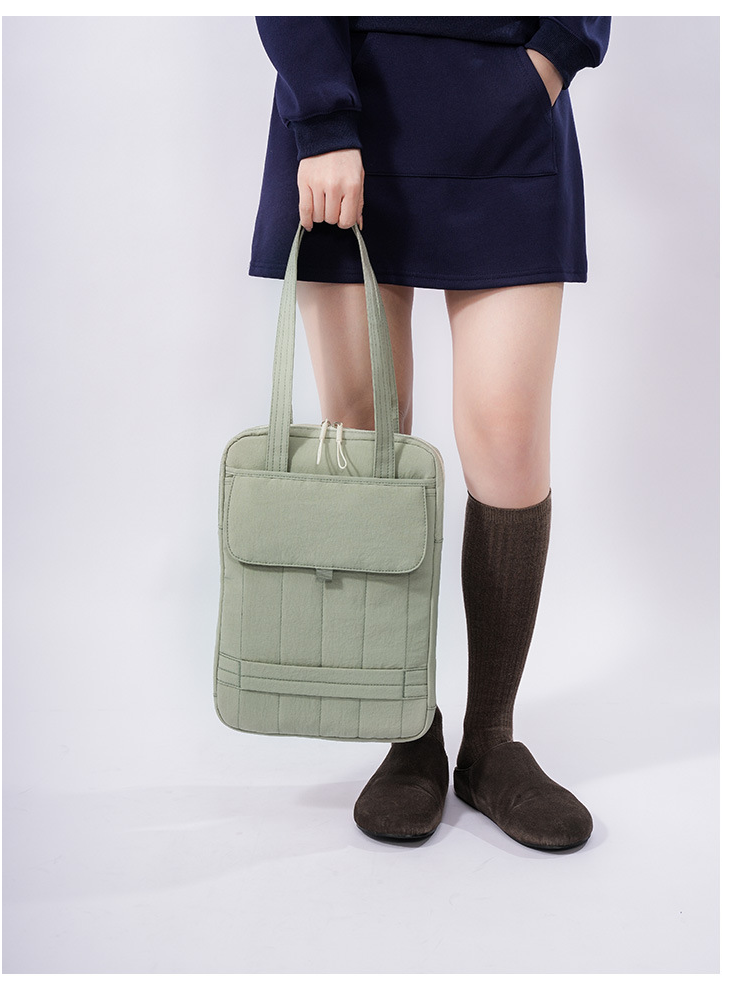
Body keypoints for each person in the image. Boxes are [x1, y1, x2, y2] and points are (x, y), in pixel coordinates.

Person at [249, 15, 612, 850]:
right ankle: (406, 726)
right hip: (349, 109)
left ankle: (490, 741)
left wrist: (557, 53)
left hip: (510, 106)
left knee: (509, 438)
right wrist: (324, 120)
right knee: (365, 436)